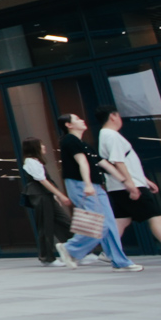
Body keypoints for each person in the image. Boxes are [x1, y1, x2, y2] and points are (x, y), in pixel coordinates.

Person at [95, 106, 161, 265]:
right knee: (155, 218)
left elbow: (126, 162)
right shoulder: (111, 135)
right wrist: (131, 184)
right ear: (113, 116)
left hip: (119, 186)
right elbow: (118, 161)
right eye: (118, 116)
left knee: (121, 221)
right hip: (128, 186)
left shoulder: (105, 135)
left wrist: (144, 180)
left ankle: (108, 252)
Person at [56, 113, 139, 271]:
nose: (82, 120)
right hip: (80, 184)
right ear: (68, 125)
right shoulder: (70, 140)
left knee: (109, 225)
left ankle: (120, 261)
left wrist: (126, 182)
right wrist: (87, 185)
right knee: (98, 224)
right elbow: (83, 163)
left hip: (94, 186)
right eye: (77, 119)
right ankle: (70, 248)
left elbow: (104, 164)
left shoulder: (84, 143)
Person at [20, 137, 72, 266]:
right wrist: (60, 195)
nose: (44, 147)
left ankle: (76, 251)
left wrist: (54, 196)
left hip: (45, 195)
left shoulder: (36, 161)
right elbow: (42, 180)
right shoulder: (30, 162)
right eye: (41, 145)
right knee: (45, 226)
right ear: (35, 148)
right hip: (40, 195)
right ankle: (47, 258)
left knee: (64, 222)